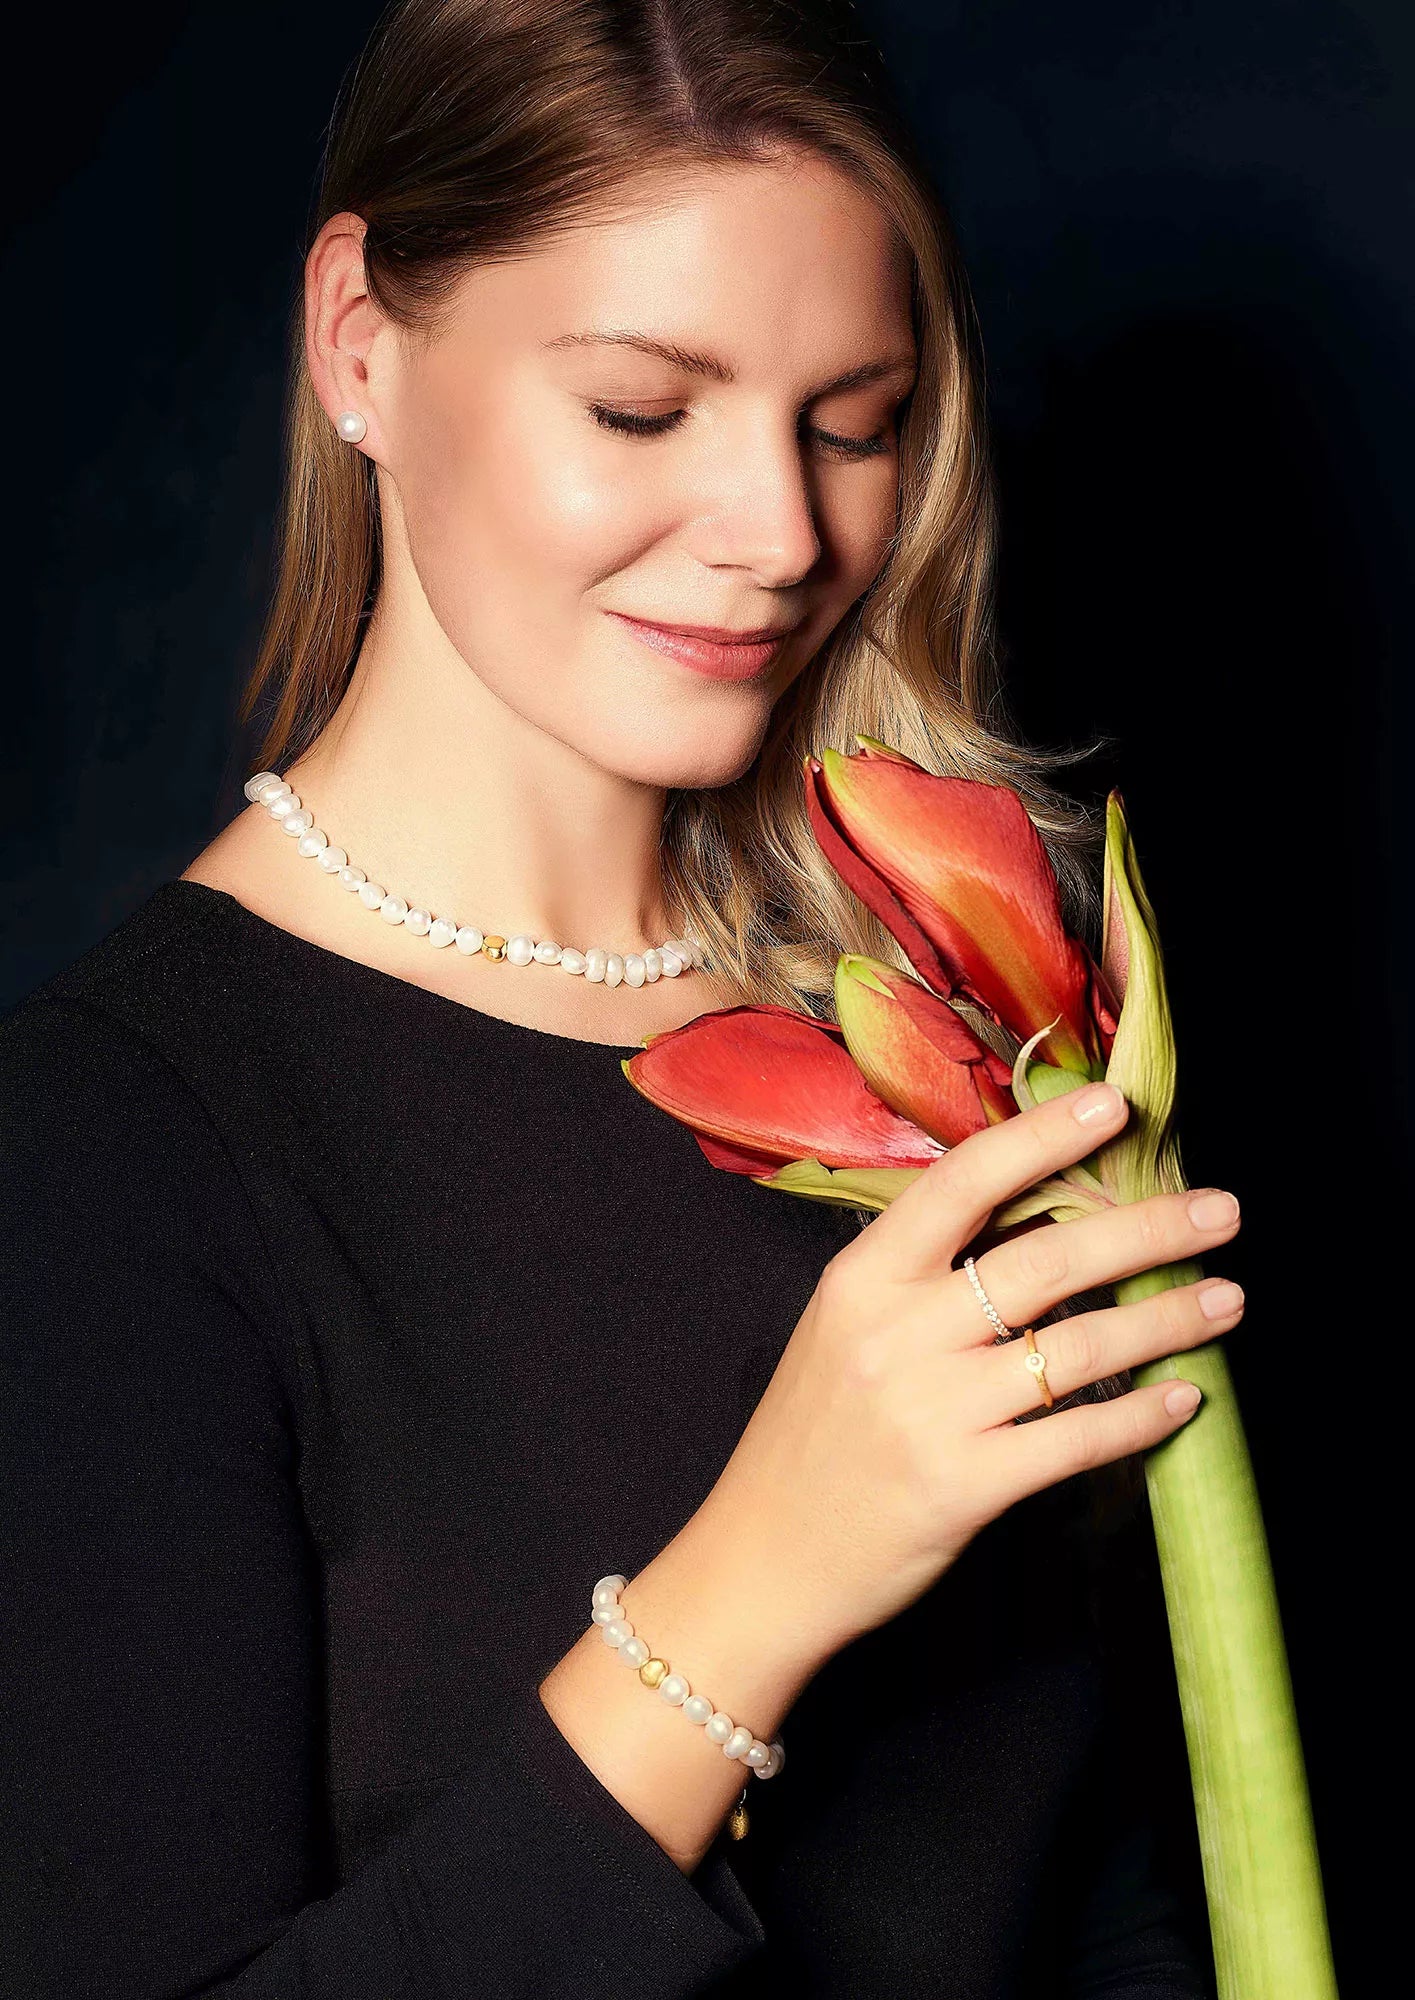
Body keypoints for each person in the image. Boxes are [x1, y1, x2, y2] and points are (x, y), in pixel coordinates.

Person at [0, 2, 1242, 1993]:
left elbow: (1105, 1890)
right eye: (644, 410)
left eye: (854, 420)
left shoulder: (960, 1035)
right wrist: (758, 1578)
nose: (784, 535)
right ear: (360, 349)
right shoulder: (112, 1146)